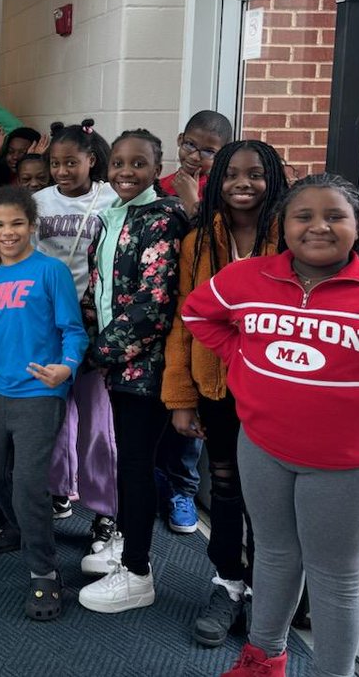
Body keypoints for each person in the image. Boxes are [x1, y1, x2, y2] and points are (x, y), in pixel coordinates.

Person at [184, 173, 359, 677]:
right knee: (275, 557)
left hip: (347, 465)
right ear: (282, 224)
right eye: (303, 216)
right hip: (262, 449)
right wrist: (242, 362)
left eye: (335, 216)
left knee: (335, 579)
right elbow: (199, 314)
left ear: (357, 225)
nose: (319, 227)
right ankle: (264, 658)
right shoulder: (246, 279)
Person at [161, 140, 289, 647]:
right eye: (232, 173)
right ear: (216, 181)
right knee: (227, 489)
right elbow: (183, 322)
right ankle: (227, 583)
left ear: (273, 179)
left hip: (279, 392)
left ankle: (267, 590)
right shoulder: (199, 243)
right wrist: (182, 397)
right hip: (217, 388)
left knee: (271, 499)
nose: (243, 182)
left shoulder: (291, 237)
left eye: (255, 174)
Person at [78, 129, 189, 614]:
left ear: (156, 167)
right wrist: (80, 335)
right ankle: (128, 544)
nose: (126, 172)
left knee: (137, 468)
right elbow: (100, 292)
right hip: (119, 366)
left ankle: (138, 574)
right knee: (129, 465)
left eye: (138, 164)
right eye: (119, 163)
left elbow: (153, 305)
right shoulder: (110, 218)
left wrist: (96, 353)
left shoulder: (163, 218)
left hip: (147, 370)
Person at [0, 185, 88, 621]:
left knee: (29, 485)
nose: (8, 232)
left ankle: (44, 573)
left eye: (17, 223)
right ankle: (17, 528)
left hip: (40, 391)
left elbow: (74, 330)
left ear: (33, 227)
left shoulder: (51, 271)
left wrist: (66, 367)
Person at [34, 119, 119, 556]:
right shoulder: (37, 202)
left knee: (96, 420)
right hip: (48, 322)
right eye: (55, 163)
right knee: (55, 415)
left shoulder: (110, 199)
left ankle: (105, 509)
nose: (63, 171)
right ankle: (58, 490)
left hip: (93, 324)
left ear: (92, 160)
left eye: (71, 162)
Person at [155, 109, 234, 535]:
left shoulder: (224, 194)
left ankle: (183, 491)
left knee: (193, 411)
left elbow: (215, 249)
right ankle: (156, 482)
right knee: (160, 405)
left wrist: (193, 201)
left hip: (198, 316)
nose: (196, 156)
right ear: (179, 138)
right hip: (159, 311)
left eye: (208, 151)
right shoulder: (155, 184)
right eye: (190, 144)